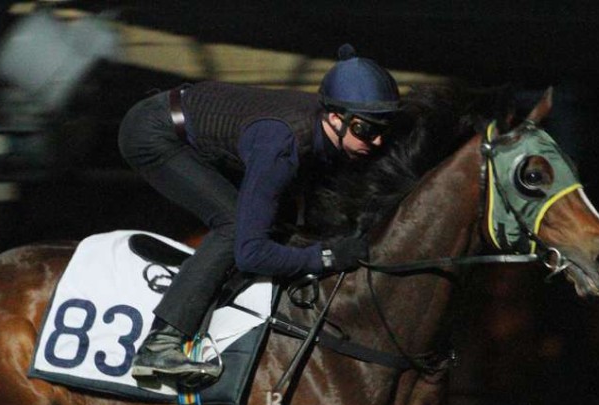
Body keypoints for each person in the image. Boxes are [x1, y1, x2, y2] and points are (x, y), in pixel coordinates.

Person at [118, 44, 399, 385]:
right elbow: (250, 253)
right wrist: (324, 258)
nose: (379, 140)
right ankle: (161, 343)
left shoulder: (322, 133)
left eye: (385, 128)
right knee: (233, 224)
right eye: (366, 129)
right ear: (335, 118)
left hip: (204, 131)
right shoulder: (281, 145)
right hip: (152, 134)